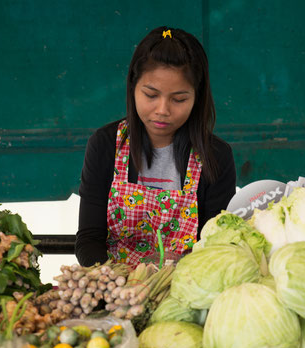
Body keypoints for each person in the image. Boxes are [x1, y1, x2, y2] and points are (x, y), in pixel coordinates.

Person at [75, 26, 236, 267]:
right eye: (151, 95)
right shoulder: (106, 145)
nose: (162, 110)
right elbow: (89, 240)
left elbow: (213, 248)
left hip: (183, 291)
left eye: (179, 99)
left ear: (196, 97)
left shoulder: (215, 157)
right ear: (133, 86)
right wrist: (115, 286)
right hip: (116, 290)